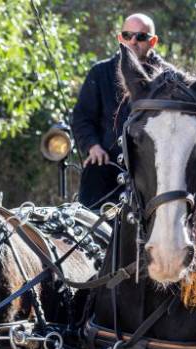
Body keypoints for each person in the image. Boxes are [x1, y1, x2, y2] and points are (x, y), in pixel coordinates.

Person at [72, 13, 167, 209]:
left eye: (141, 36)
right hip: (108, 160)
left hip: (155, 165)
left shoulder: (168, 78)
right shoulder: (100, 73)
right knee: (93, 171)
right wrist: (93, 146)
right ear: (119, 38)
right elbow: (82, 118)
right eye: (127, 35)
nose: (133, 41)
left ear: (153, 41)